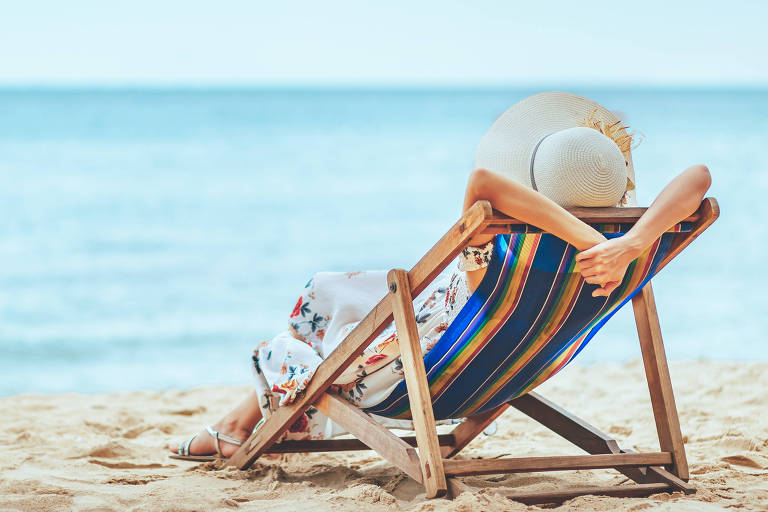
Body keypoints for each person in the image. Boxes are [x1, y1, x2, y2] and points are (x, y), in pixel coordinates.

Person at [168, 92, 711, 459]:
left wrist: (603, 244)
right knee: (339, 295)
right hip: (489, 374)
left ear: (532, 181)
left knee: (310, 322)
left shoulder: (506, 239)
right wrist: (625, 243)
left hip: (410, 378)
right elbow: (700, 179)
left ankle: (233, 428)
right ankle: (236, 425)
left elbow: (483, 180)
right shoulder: (636, 247)